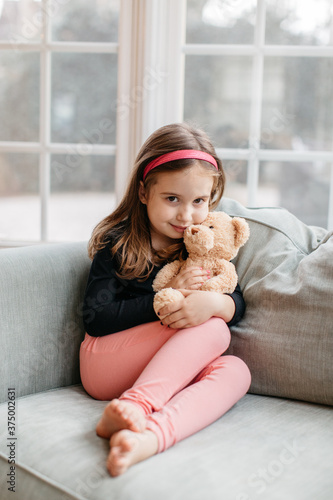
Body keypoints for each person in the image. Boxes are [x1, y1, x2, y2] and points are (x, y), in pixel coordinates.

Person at [80, 122, 251, 477]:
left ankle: (148, 438)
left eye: (199, 201)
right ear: (144, 192)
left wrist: (216, 304)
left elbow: (237, 301)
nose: (186, 215)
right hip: (103, 361)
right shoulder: (119, 246)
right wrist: (165, 298)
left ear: (212, 199)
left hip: (155, 368)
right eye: (172, 199)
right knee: (216, 333)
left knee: (236, 371)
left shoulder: (200, 245)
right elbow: (96, 318)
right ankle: (135, 406)